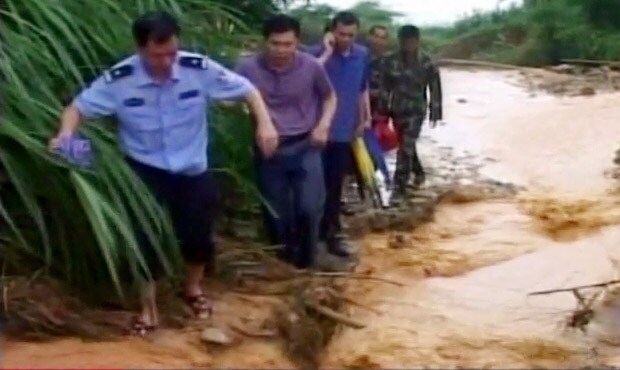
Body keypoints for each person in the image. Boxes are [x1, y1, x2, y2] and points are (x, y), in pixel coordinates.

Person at [48, 11, 278, 336]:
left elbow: (247, 90)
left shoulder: (196, 69)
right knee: (144, 241)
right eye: (159, 55)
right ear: (140, 49)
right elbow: (77, 109)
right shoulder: (120, 79)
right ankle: (148, 306)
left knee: (198, 237)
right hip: (145, 169)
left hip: (191, 168)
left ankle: (192, 289)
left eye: (172, 51)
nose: (169, 61)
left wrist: (265, 124)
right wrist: (66, 135)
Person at [236, 14, 337, 269]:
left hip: (306, 144)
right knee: (276, 213)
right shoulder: (247, 68)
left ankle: (308, 263)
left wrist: (323, 126)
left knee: (309, 207)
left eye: (288, 44)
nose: (281, 50)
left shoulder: (311, 66)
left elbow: (329, 97)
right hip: (269, 150)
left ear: (297, 42)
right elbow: (230, 97)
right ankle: (283, 263)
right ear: (264, 42)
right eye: (275, 43)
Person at [309, 12, 371, 258]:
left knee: (335, 186)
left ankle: (331, 234)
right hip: (315, 130)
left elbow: (362, 88)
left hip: (344, 130)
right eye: (341, 34)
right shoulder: (313, 54)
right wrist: (326, 52)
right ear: (332, 31)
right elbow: (307, 79)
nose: (345, 39)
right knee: (312, 187)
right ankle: (308, 234)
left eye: (350, 35)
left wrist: (364, 117)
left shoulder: (362, 55)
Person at [374, 24, 443, 202]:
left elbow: (435, 87)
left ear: (417, 42)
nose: (408, 46)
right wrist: (381, 112)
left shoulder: (427, 61)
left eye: (412, 42)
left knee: (405, 147)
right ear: (400, 41)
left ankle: (399, 188)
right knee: (406, 145)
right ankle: (418, 172)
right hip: (396, 110)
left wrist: (435, 109)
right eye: (405, 42)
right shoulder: (390, 60)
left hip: (416, 111)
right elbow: (384, 87)